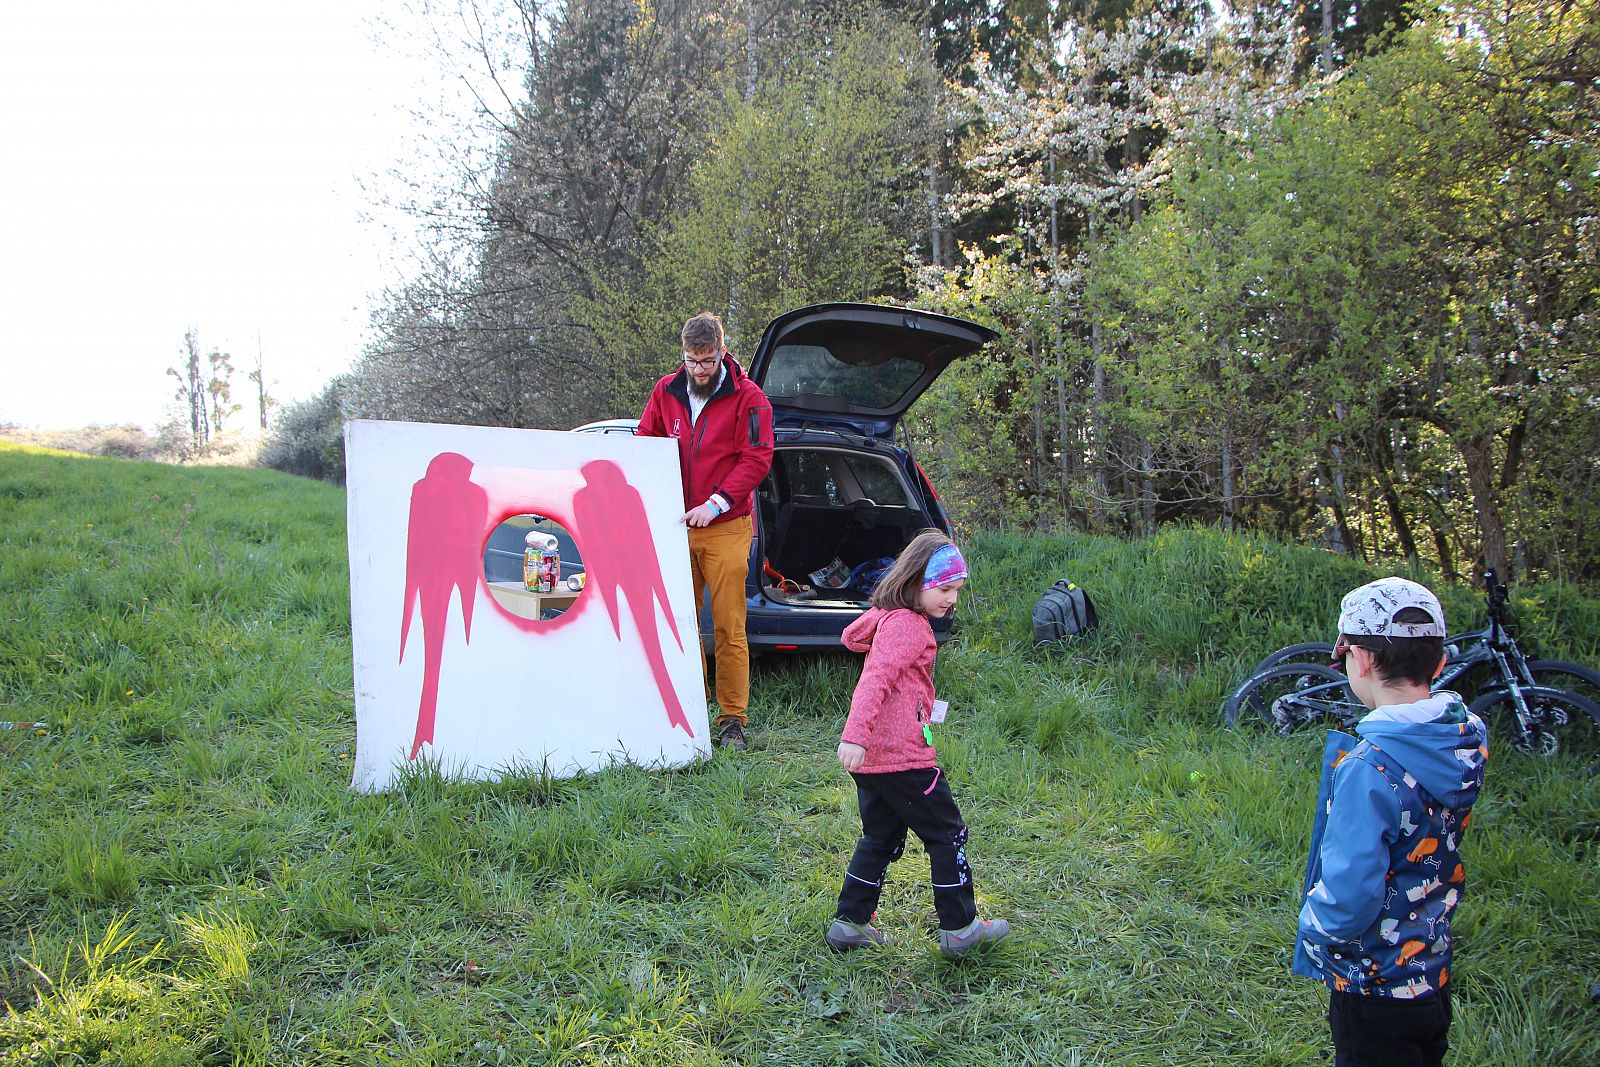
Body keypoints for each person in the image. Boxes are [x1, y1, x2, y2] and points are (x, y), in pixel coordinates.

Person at [1294, 576, 1489, 1067]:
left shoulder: (1369, 766)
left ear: (1360, 659)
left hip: (1373, 983)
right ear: (1438, 663)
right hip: (1430, 969)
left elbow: (1351, 889)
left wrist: (1315, 927)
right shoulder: (1462, 742)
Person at [826, 529, 1010, 957]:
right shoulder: (908, 625)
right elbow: (876, 679)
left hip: (875, 761)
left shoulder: (890, 617)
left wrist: (863, 742)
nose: (952, 599)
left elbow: (852, 636)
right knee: (948, 834)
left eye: (957, 590)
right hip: (902, 757)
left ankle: (850, 924)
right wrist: (854, 735)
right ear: (914, 581)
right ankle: (961, 928)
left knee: (880, 838)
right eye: (944, 589)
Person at [637, 311, 774, 751]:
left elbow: (757, 459)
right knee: (681, 623)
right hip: (676, 527)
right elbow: (645, 443)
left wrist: (715, 503)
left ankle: (732, 718)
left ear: (722, 351)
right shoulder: (665, 391)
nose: (699, 369)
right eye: (692, 360)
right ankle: (690, 710)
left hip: (726, 526)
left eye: (707, 361)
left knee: (730, 626)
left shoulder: (750, 398)